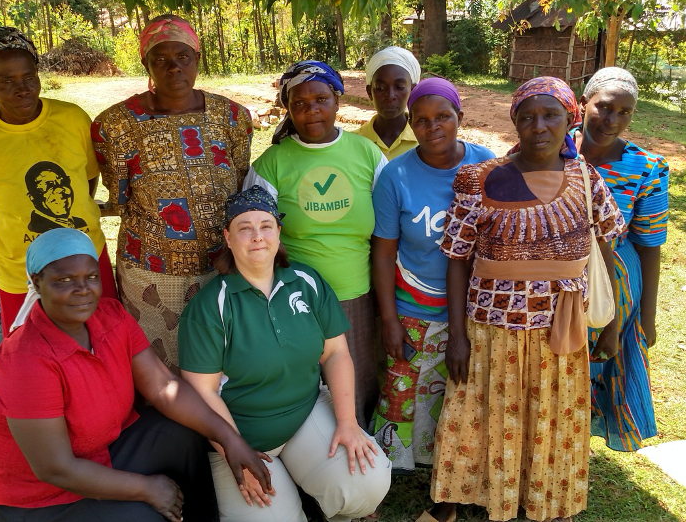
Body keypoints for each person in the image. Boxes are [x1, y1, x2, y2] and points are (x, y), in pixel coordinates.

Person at [429, 77, 626, 522]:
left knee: (552, 417)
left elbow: (607, 255)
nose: (539, 125)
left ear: (570, 119)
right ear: (514, 121)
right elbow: (457, 260)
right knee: (478, 412)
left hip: (561, 330)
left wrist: (611, 327)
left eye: (551, 114)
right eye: (527, 116)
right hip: (491, 329)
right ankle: (458, 496)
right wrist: (457, 336)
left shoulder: (587, 179)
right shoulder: (477, 178)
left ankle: (544, 498)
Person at [0, 228, 272, 522]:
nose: (82, 289)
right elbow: (55, 468)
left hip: (105, 449)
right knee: (141, 514)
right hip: (43, 496)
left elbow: (164, 386)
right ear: (36, 282)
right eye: (64, 280)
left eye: (91, 276)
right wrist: (146, 488)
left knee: (184, 435)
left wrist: (228, 438)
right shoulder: (25, 361)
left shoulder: (110, 316)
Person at [178, 187, 391, 522]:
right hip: (240, 437)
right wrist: (235, 452)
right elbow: (202, 392)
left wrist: (348, 423)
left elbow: (335, 353)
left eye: (266, 225)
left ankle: (318, 488)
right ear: (228, 238)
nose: (257, 236)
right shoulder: (210, 305)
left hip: (305, 414)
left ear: (278, 232)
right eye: (244, 228)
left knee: (366, 483)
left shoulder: (307, 281)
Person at [92, 15, 253, 373]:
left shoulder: (233, 117)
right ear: (146, 64)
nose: (173, 67)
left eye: (183, 57)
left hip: (222, 264)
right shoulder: (115, 125)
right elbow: (119, 198)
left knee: (221, 362)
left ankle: (218, 425)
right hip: (150, 272)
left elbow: (239, 185)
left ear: (198, 58)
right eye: (160, 59)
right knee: (158, 372)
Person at [244, 60, 388, 429]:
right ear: (288, 109)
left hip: (355, 292)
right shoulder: (273, 163)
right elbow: (254, 234)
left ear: (338, 101)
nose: (311, 111)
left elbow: (389, 226)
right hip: (295, 297)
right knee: (303, 384)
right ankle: (309, 455)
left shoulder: (367, 154)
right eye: (299, 103)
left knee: (356, 378)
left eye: (321, 99)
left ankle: (357, 450)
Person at [371, 78, 495, 487]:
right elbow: (385, 252)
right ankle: (400, 464)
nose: (433, 127)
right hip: (414, 304)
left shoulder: (486, 167)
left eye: (443, 116)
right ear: (411, 124)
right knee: (402, 389)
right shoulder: (396, 176)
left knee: (460, 388)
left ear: (460, 117)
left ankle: (454, 459)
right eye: (421, 120)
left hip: (474, 307)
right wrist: (390, 321)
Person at [0, 27, 117, 336]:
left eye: (29, 77)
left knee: (105, 338)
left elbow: (87, 178)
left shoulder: (72, 119)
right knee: (31, 349)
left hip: (87, 258)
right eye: (5, 81)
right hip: (21, 270)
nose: (22, 89)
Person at [572, 67, 669, 452]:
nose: (611, 120)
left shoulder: (647, 168)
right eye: (604, 107)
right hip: (552, 276)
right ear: (584, 103)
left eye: (624, 112)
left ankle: (573, 449)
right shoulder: (548, 143)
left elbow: (649, 244)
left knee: (596, 364)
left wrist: (648, 316)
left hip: (613, 285)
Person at [352, 46, 421, 159]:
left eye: (399, 87)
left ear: (412, 91)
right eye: (380, 87)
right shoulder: (353, 142)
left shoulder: (424, 141)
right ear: (369, 92)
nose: (390, 96)